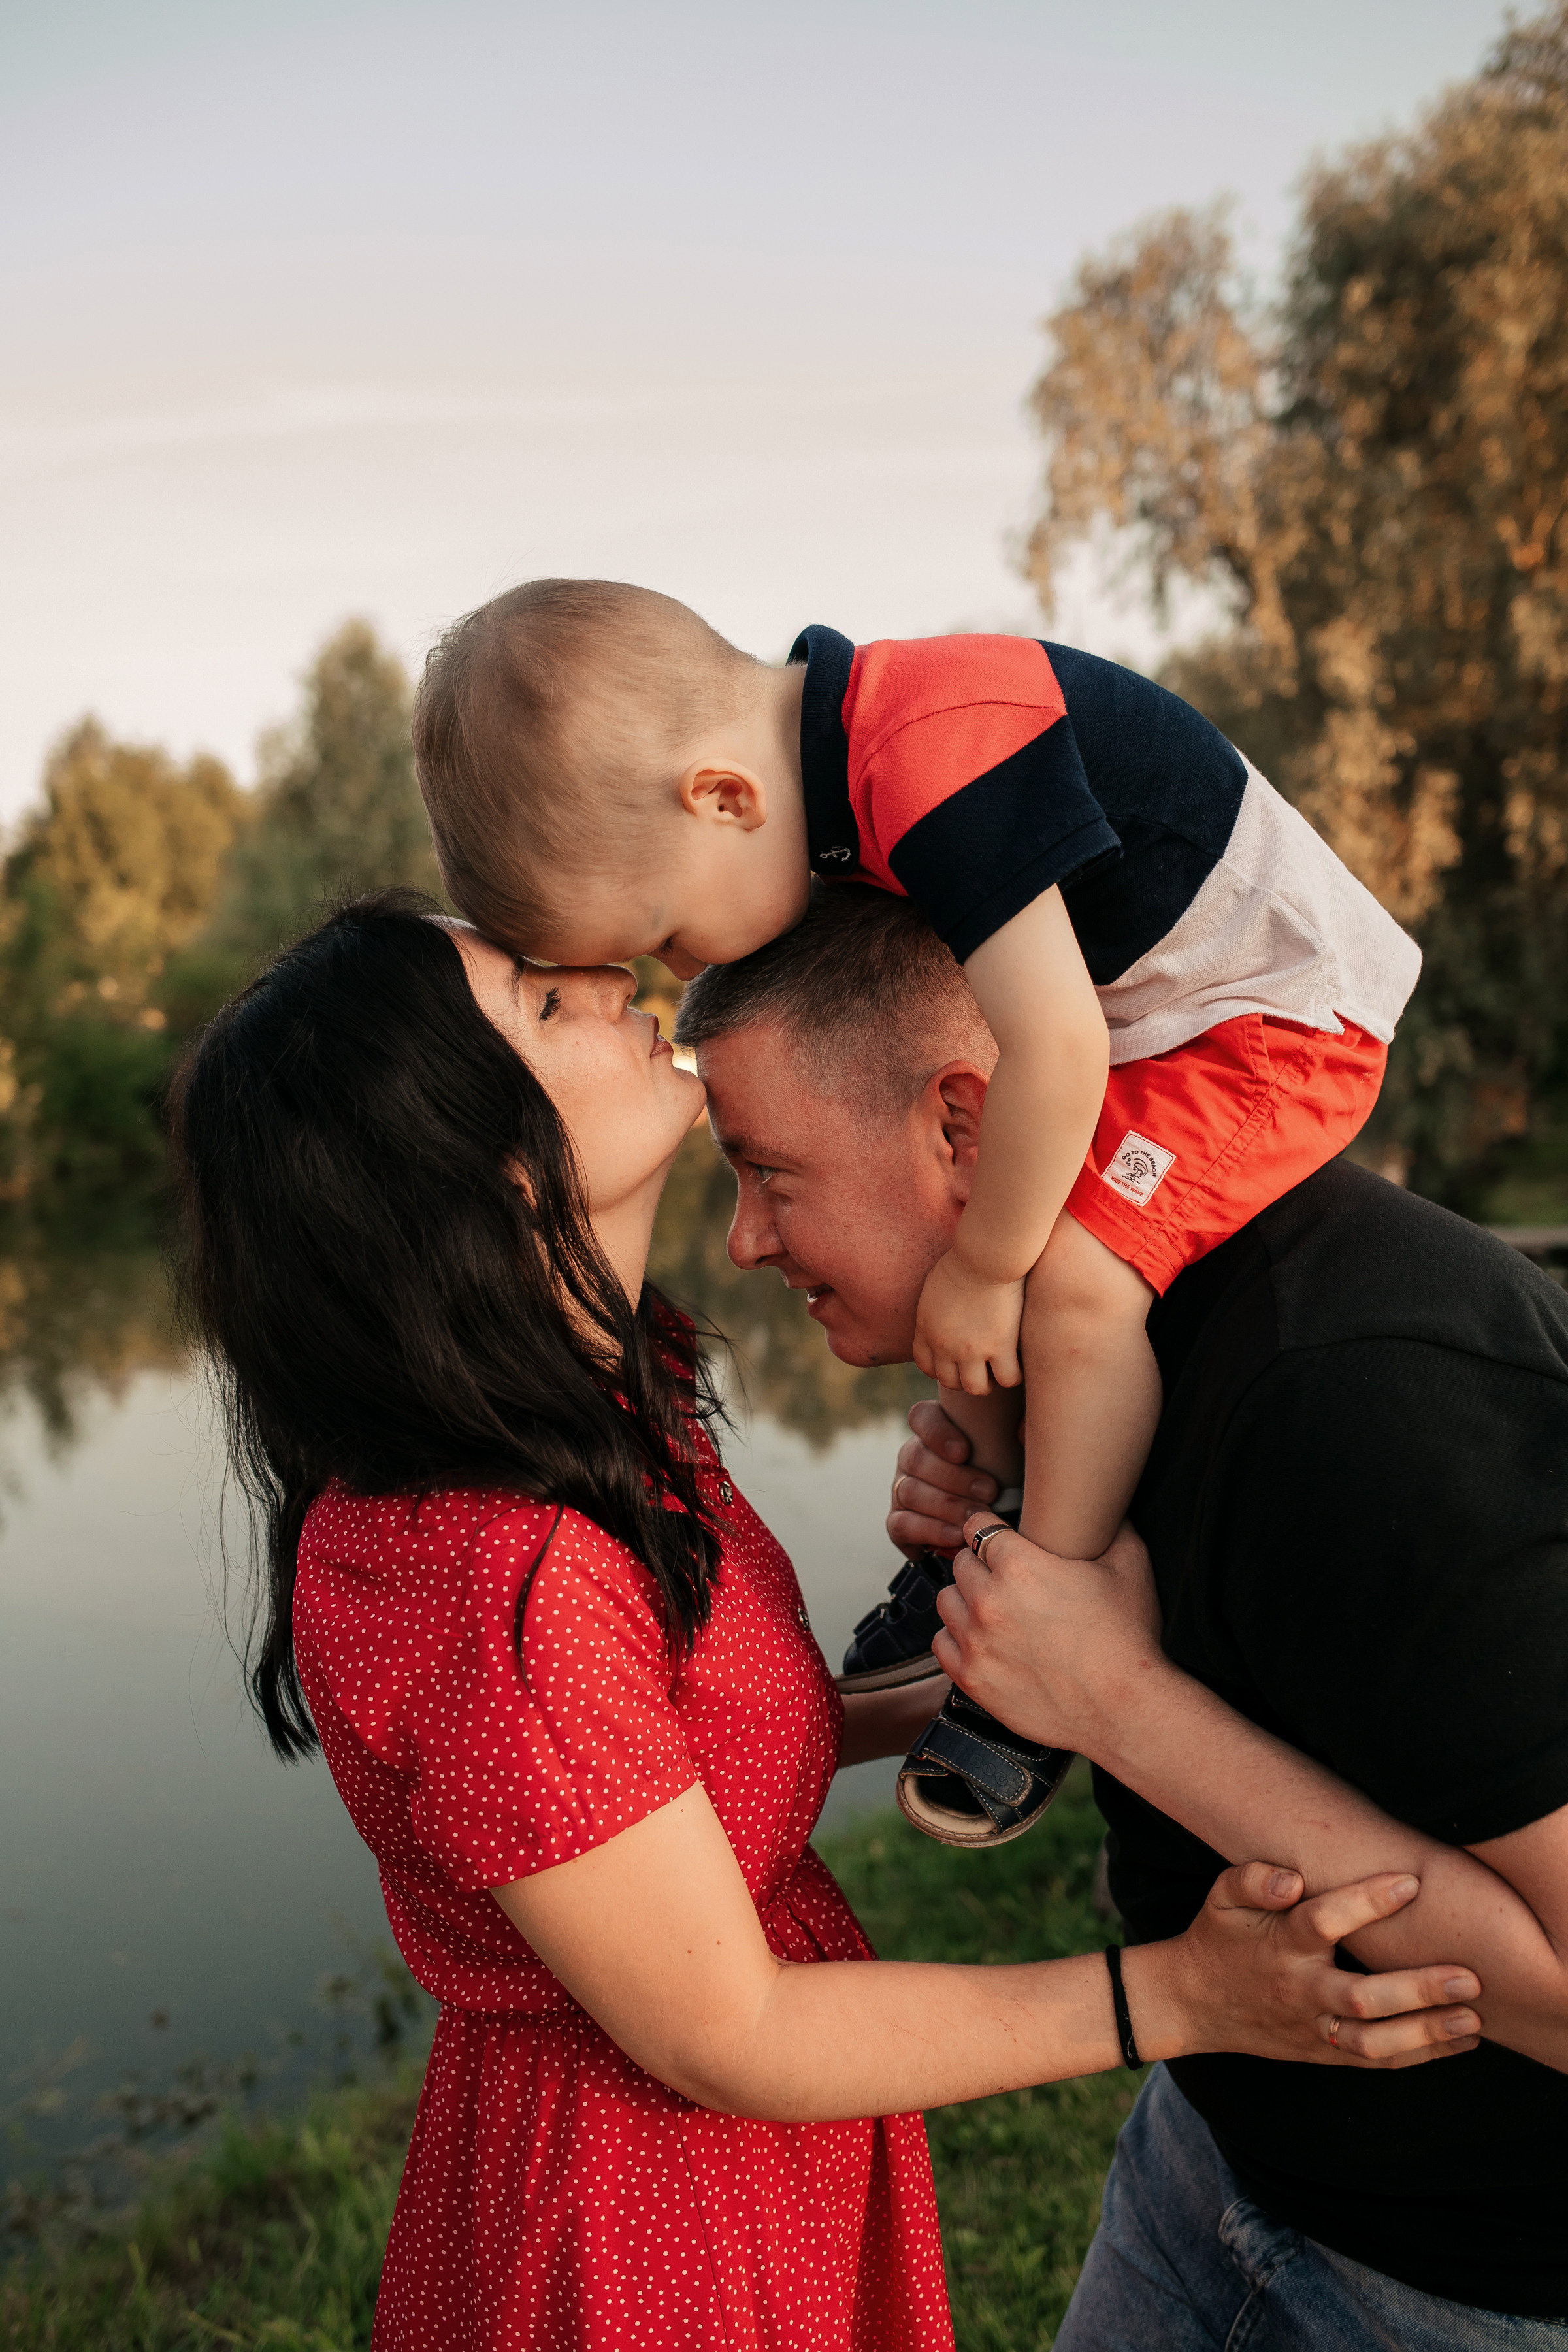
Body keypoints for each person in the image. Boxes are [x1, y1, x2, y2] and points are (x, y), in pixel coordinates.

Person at [168, 893, 1478, 2352]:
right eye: (541, 1002)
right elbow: (729, 2031)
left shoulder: (590, 1409)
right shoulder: (496, 1581)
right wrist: (1177, 1996)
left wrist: (995, 1672)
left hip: (746, 2152)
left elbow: (664, 1754)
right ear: (484, 1175)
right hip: (654, 2206)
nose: (603, 976)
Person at [676, 881, 1568, 2340]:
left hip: (1464, 2281)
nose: (742, 1243)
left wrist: (1115, 1703)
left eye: (769, 1173)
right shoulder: (1087, 1364)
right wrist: (1012, 1547)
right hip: (1214, 2151)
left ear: (964, 1126)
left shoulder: (1359, 1394)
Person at [410, 578, 1420, 1845]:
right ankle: (984, 1540)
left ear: (724, 798)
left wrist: (990, 1269)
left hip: (1270, 1022)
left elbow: (1053, 1047)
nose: (680, 974)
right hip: (1157, 1020)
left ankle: (1042, 1638)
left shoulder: (930, 759)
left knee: (1071, 1288)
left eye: (664, 931)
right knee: (979, 1265)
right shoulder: (853, 780)